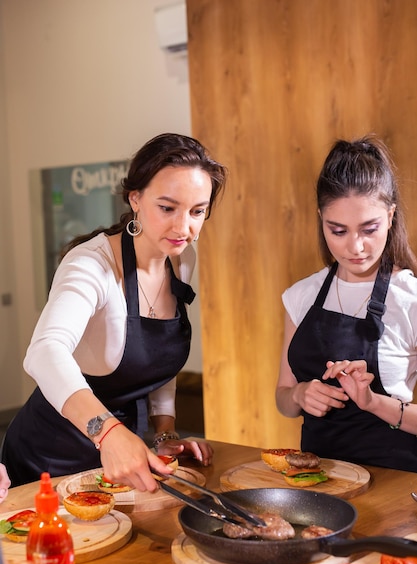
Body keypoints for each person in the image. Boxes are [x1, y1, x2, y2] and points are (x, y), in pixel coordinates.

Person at [1, 133, 227, 488]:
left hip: (126, 454)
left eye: (197, 211)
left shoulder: (181, 259)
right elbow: (44, 352)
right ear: (135, 198)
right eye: (167, 208)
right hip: (48, 458)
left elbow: (159, 359)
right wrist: (108, 434)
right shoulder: (91, 266)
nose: (184, 228)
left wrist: (165, 436)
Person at [275, 135, 417, 471]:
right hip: (318, 480)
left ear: (391, 215)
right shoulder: (302, 295)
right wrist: (299, 395)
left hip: (395, 484)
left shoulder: (410, 298)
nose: (355, 247)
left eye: (370, 229)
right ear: (320, 218)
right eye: (338, 230)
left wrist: (374, 403)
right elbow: (284, 394)